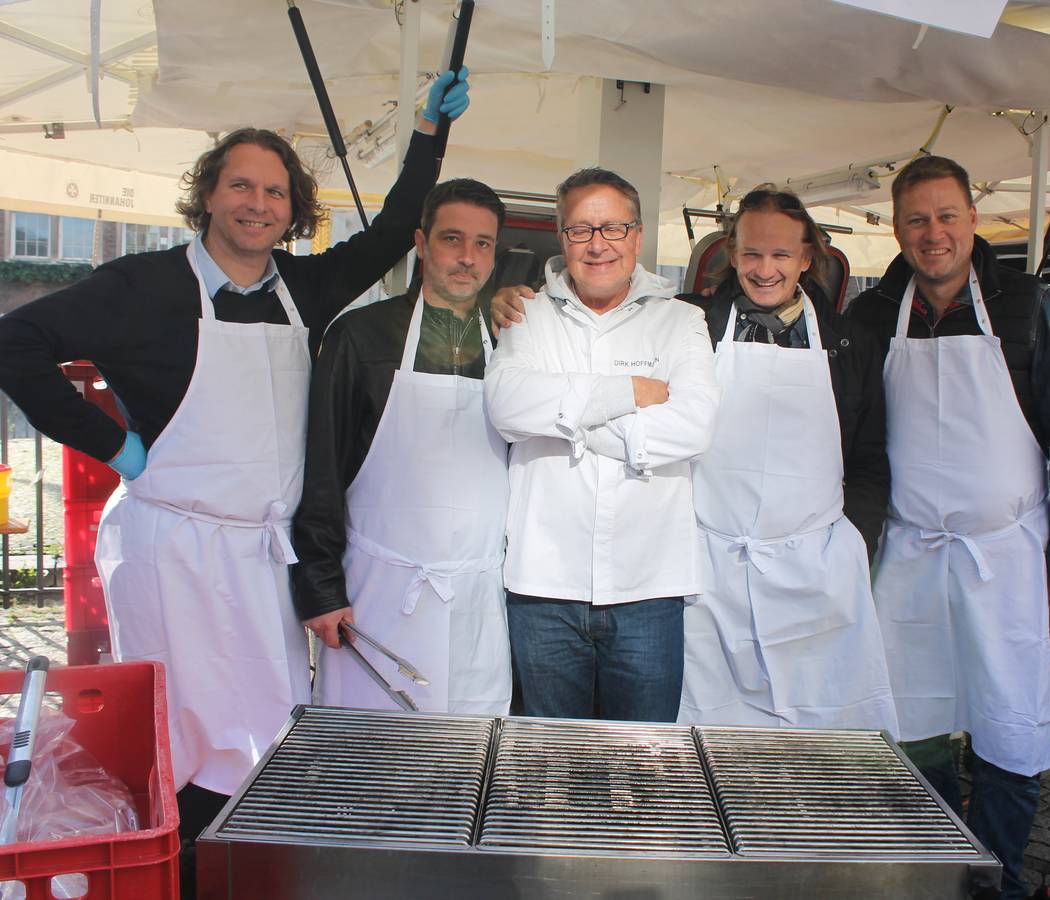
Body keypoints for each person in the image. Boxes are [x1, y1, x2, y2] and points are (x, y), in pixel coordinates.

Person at [0, 69, 470, 890]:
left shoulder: (307, 288)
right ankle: (171, 871)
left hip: (262, 555)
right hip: (170, 548)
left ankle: (243, 873)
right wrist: (115, 449)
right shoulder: (141, 285)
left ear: (294, 210)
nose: (259, 204)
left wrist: (429, 135)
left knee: (267, 732)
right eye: (242, 186)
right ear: (208, 196)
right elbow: (16, 343)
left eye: (277, 192)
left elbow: (397, 229)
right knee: (177, 730)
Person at [846, 155, 1050, 900]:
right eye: (917, 219)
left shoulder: (1026, 306)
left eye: (946, 216)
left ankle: (998, 877)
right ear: (896, 228)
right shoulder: (872, 315)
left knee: (1011, 726)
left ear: (972, 218)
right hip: (908, 552)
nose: (934, 234)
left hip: (1009, 555)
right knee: (914, 717)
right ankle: (929, 867)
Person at [484, 167, 720, 723]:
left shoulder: (681, 321)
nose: (598, 245)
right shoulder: (526, 314)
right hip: (543, 585)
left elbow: (694, 426)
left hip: (650, 587)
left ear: (637, 237)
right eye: (581, 230)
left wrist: (570, 419)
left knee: (645, 766)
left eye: (613, 229)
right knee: (549, 765)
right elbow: (508, 409)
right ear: (561, 238)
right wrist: (630, 393)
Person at [673, 184, 897, 731]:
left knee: (818, 742)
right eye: (751, 253)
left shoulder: (850, 343)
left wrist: (853, 544)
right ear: (731, 251)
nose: (764, 268)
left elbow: (869, 455)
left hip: (816, 575)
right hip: (709, 574)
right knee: (708, 738)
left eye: (780, 255)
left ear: (806, 257)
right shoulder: (688, 326)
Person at [292, 178, 510, 716]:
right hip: (379, 594)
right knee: (372, 761)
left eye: (483, 243)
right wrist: (321, 588)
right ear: (420, 240)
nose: (467, 258)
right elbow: (321, 471)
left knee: (468, 756)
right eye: (452, 239)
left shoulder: (513, 344)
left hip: (481, 597)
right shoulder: (361, 337)